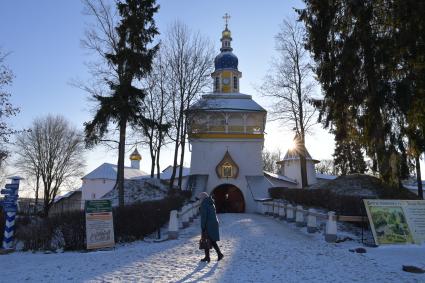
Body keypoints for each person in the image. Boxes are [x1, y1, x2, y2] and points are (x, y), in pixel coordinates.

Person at [198, 192, 224, 263]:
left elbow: (204, 217)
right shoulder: (211, 203)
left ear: (202, 198)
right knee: (209, 240)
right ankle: (208, 256)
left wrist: (203, 227)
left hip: (208, 224)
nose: (199, 200)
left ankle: (218, 254)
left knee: (208, 240)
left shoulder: (204, 204)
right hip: (213, 224)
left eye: (200, 198)